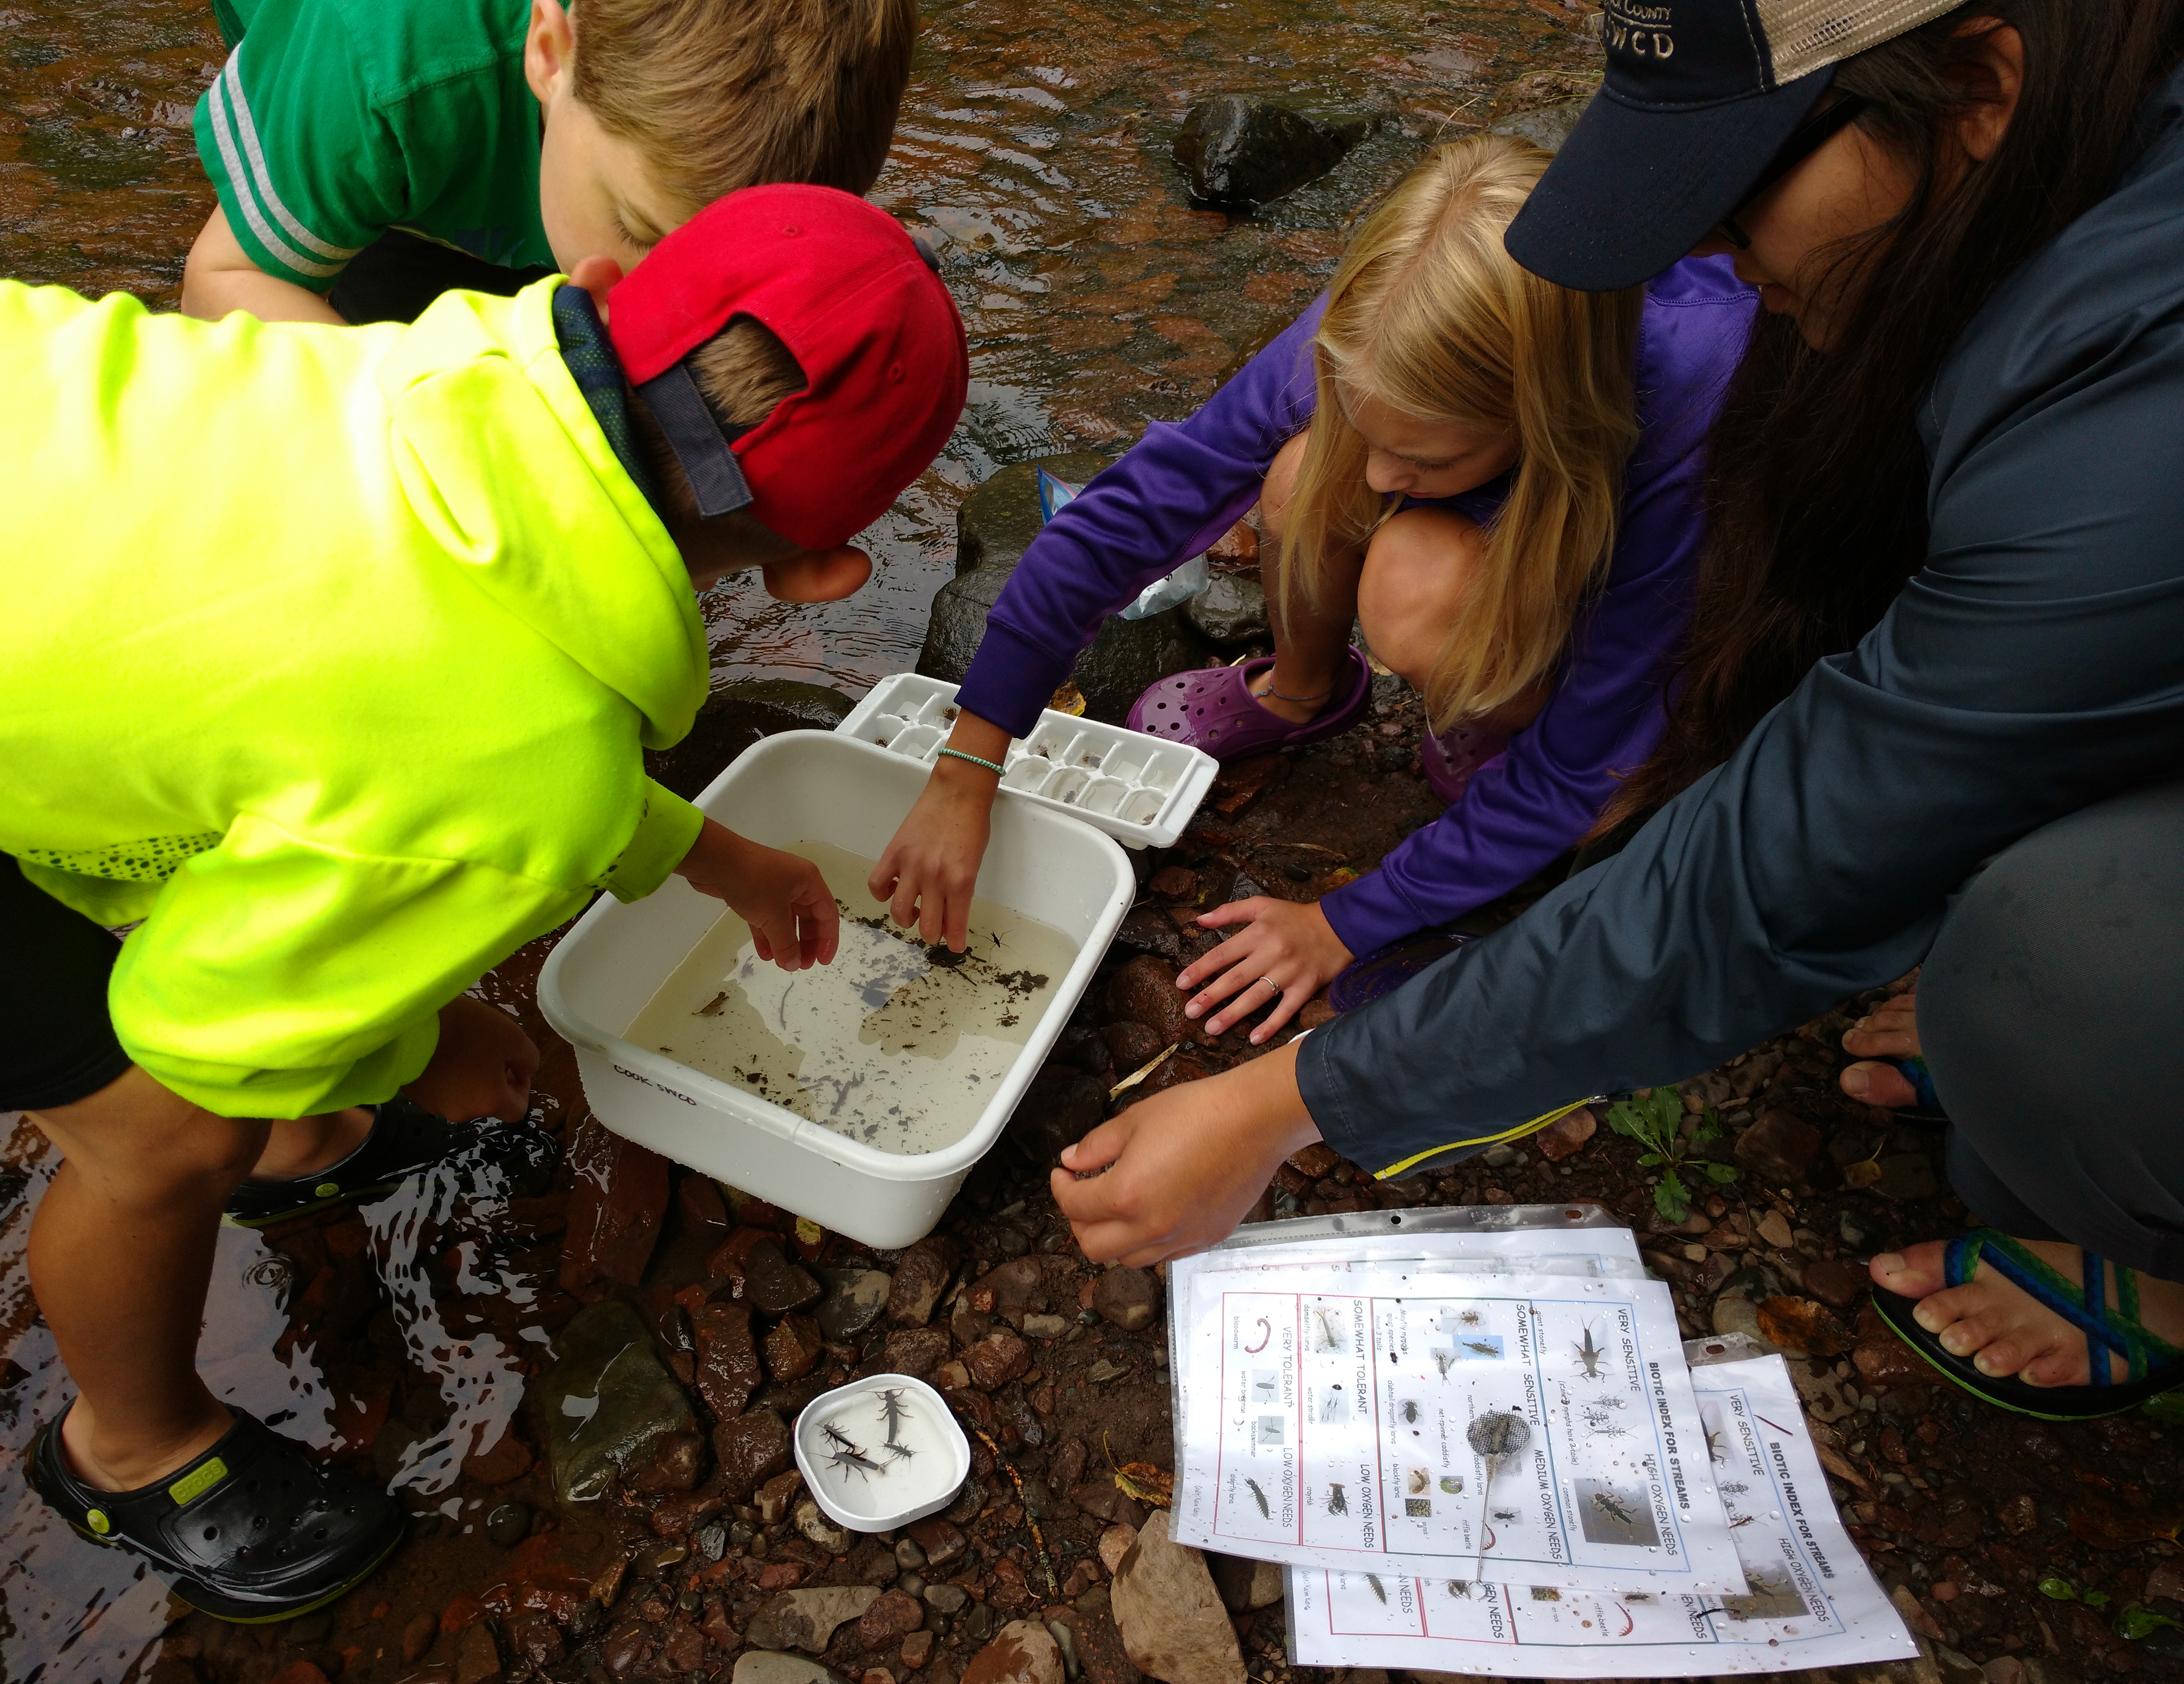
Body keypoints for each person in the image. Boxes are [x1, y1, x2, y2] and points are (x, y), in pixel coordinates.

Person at [1049, 0, 2184, 1422]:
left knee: (2066, 964)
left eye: (1734, 181)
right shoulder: (2049, 214)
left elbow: (1778, 866)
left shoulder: (2131, 421)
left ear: (1978, 87)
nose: (1702, 251)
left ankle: (2145, 1239)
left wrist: (1287, 1100)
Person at [0, 183, 967, 1616]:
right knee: (169, 1129)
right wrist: (422, 1043)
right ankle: (132, 1449)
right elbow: (200, 1018)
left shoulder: (414, 374)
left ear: (596, 281)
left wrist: (715, 856)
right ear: (819, 574)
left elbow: (416, 717)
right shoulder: (525, 769)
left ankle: (306, 1149)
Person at [870, 135, 1754, 1044]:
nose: (1376, 477)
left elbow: (1584, 755)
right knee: (1300, 475)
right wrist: (969, 761)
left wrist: (1347, 923)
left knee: (1530, 722)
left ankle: (1505, 734)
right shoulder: (1382, 324)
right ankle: (1305, 690)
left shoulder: (1686, 418)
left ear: (1543, 411)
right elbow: (1125, 518)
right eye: (1366, 425)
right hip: (1537, 494)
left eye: (1420, 456)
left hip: (1660, 576)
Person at [182, 0, 916, 325]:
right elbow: (224, 285)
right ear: (547, 54)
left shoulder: (845, 58)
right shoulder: (389, 71)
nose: (656, 303)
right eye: (638, 231)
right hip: (383, 85)